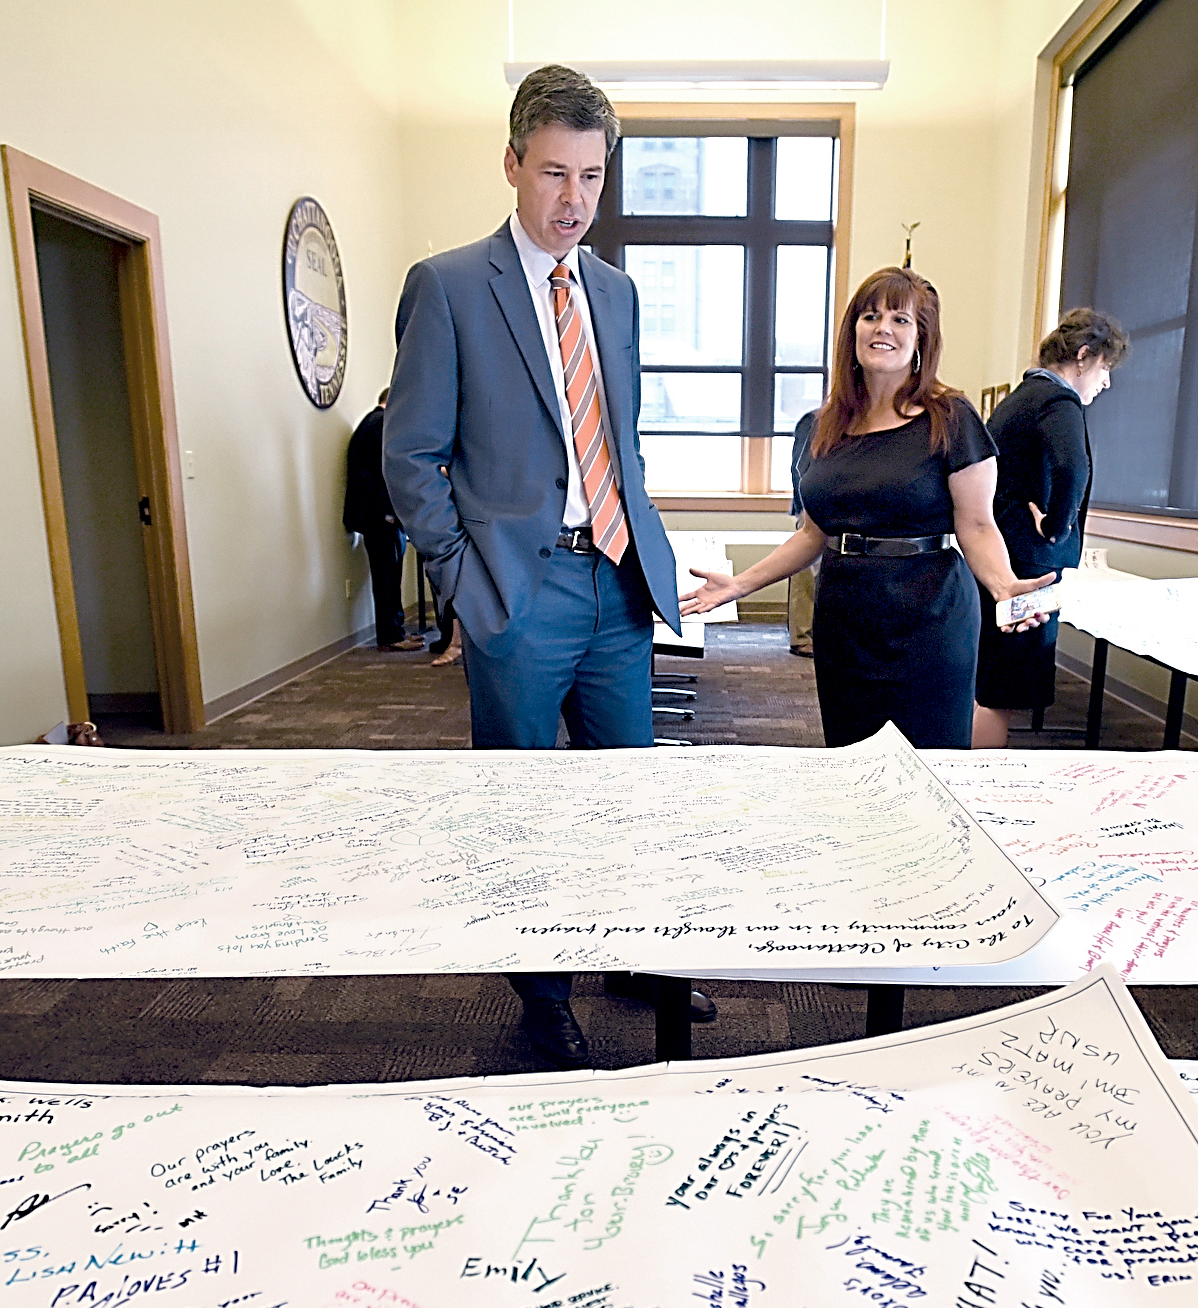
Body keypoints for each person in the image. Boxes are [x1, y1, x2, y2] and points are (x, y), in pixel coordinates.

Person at [382, 65, 693, 1068]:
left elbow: (622, 437)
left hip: (615, 580)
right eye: (554, 173)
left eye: (592, 177)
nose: (573, 201)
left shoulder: (617, 292)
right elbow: (410, 455)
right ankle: (542, 990)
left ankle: (636, 952)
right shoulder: (448, 285)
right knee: (522, 807)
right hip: (520, 590)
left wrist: (642, 545)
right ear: (513, 163)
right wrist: (469, 587)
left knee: (629, 795)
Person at [681, 267, 1053, 749]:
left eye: (901, 319)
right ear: (852, 330)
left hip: (931, 614)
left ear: (922, 338)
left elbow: (978, 525)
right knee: (851, 754)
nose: (882, 329)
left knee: (930, 755)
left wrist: (1004, 586)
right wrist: (741, 584)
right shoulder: (823, 426)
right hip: (846, 613)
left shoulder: (951, 417)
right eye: (871, 316)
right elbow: (812, 534)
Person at [972, 309, 1128, 748]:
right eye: (1105, 368)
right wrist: (1058, 527)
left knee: (993, 677)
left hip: (1007, 557)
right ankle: (983, 782)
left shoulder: (1021, 398)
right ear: (1083, 356)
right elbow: (1072, 467)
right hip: (1031, 569)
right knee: (1005, 685)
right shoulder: (1056, 401)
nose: (1106, 382)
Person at [344, 389, 424, 650]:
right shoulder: (380, 425)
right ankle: (392, 636)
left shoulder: (371, 423)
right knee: (387, 577)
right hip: (380, 517)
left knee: (389, 575)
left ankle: (396, 630)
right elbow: (384, 473)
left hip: (376, 517)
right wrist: (390, 513)